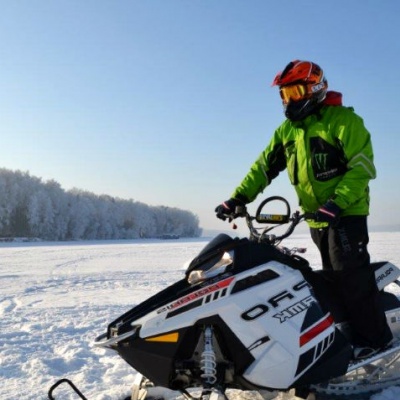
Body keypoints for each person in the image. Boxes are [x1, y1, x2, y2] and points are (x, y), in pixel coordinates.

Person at [215, 60, 393, 360]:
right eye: (284, 95)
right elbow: (264, 167)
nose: (290, 101)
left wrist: (336, 203)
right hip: (317, 219)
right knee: (323, 281)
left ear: (316, 88)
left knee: (350, 277)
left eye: (296, 92)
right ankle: (337, 331)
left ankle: (376, 341)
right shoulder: (288, 131)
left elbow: (362, 168)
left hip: (345, 215)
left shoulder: (343, 122)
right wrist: (237, 199)